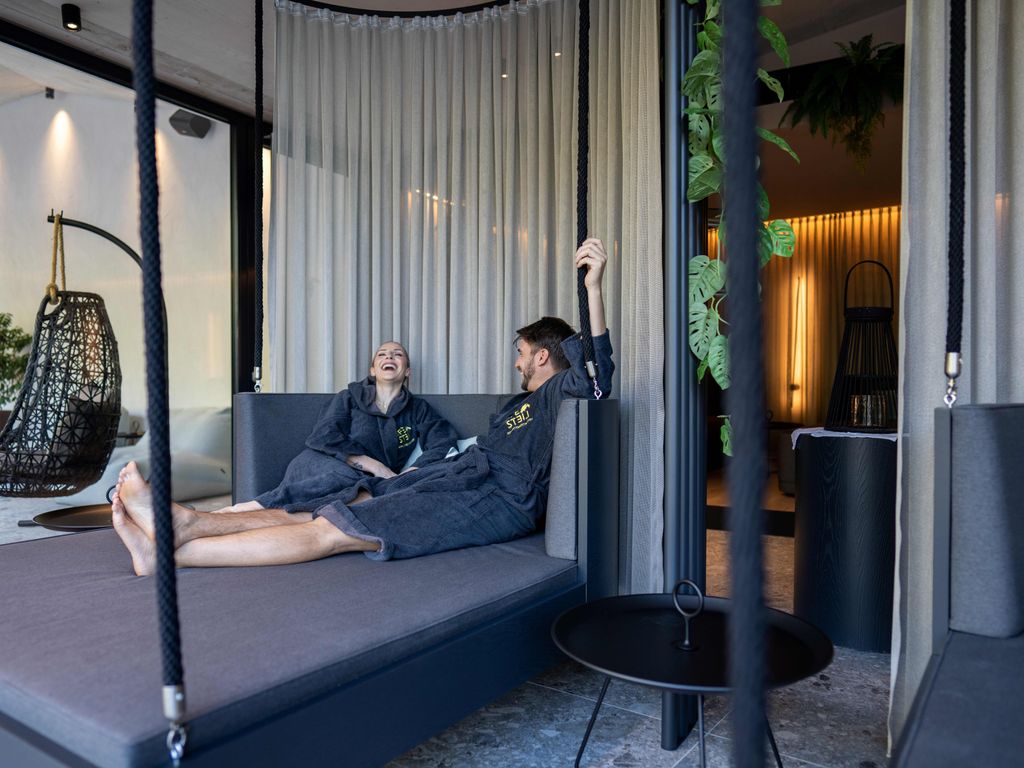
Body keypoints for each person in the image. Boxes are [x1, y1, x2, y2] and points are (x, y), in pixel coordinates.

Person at [111, 237, 613, 574]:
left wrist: (592, 289)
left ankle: (174, 556)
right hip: (458, 476)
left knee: (333, 531)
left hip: (496, 496)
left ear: (542, 356)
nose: (517, 362)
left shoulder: (555, 392)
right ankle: (186, 527)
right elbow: (327, 438)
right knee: (334, 507)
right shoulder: (515, 404)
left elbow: (596, 380)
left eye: (522, 353)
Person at [213, 341, 458, 516]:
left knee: (365, 491)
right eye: (382, 354)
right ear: (373, 370)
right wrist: (375, 466)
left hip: (366, 481)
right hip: (320, 463)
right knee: (349, 481)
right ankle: (249, 508)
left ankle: (274, 516)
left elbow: (443, 444)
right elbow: (323, 436)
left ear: (407, 371)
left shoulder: (418, 409)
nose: (389, 357)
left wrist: (410, 473)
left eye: (397, 354)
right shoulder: (348, 398)